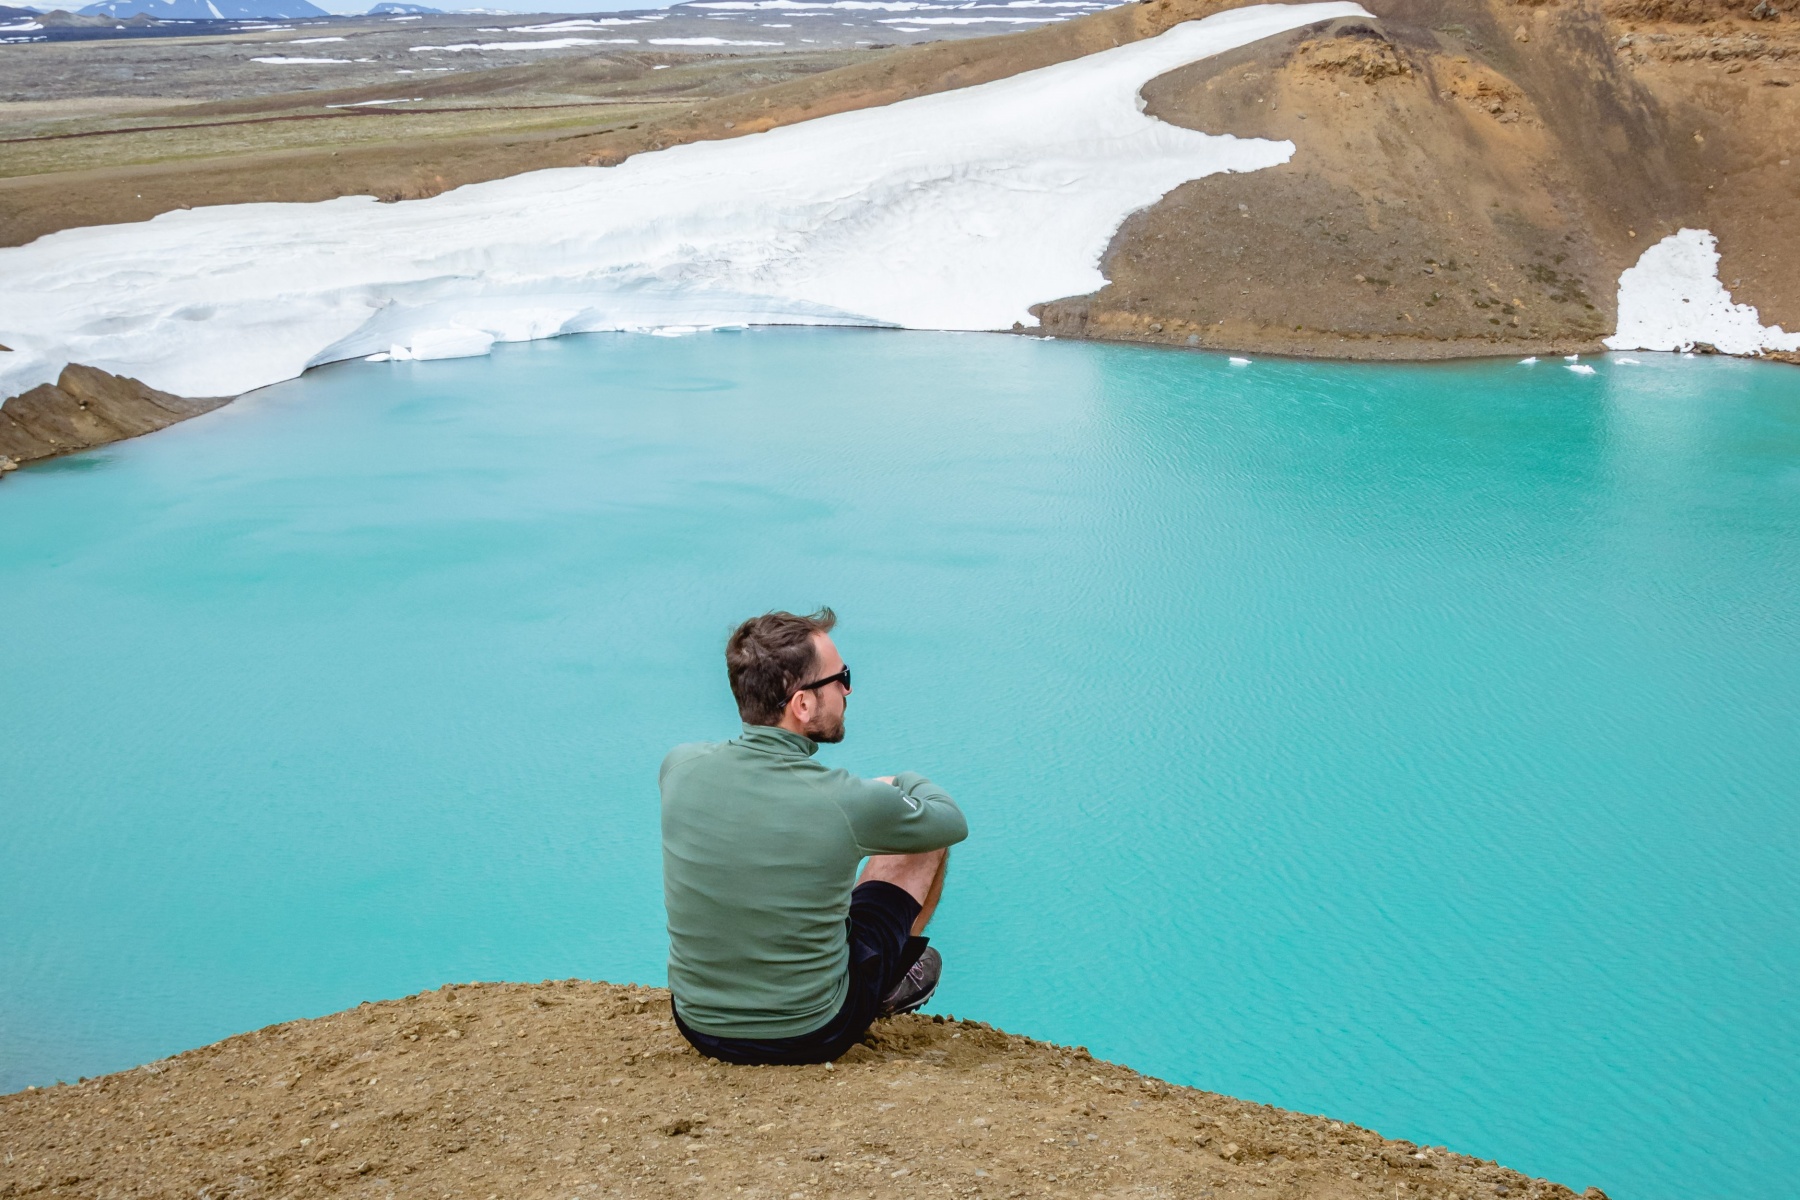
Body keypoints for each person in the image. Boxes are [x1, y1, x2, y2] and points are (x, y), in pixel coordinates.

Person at [659, 607, 968, 1065]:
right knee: (925, 840)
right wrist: (898, 782)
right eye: (841, 678)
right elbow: (949, 821)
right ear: (802, 704)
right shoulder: (844, 800)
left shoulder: (679, 767)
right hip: (811, 1031)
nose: (847, 690)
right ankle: (889, 982)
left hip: (699, 1024)